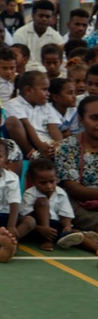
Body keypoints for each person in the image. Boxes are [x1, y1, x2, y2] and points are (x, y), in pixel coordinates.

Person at [55, 96, 98, 233]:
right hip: (77, 204)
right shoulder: (67, 146)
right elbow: (72, 188)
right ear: (80, 119)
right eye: (94, 118)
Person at [14, 0, 63, 72]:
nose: (44, 19)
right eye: (41, 16)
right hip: (25, 75)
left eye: (47, 16)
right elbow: (17, 61)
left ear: (52, 18)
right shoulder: (20, 34)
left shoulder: (56, 37)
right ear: (33, 16)